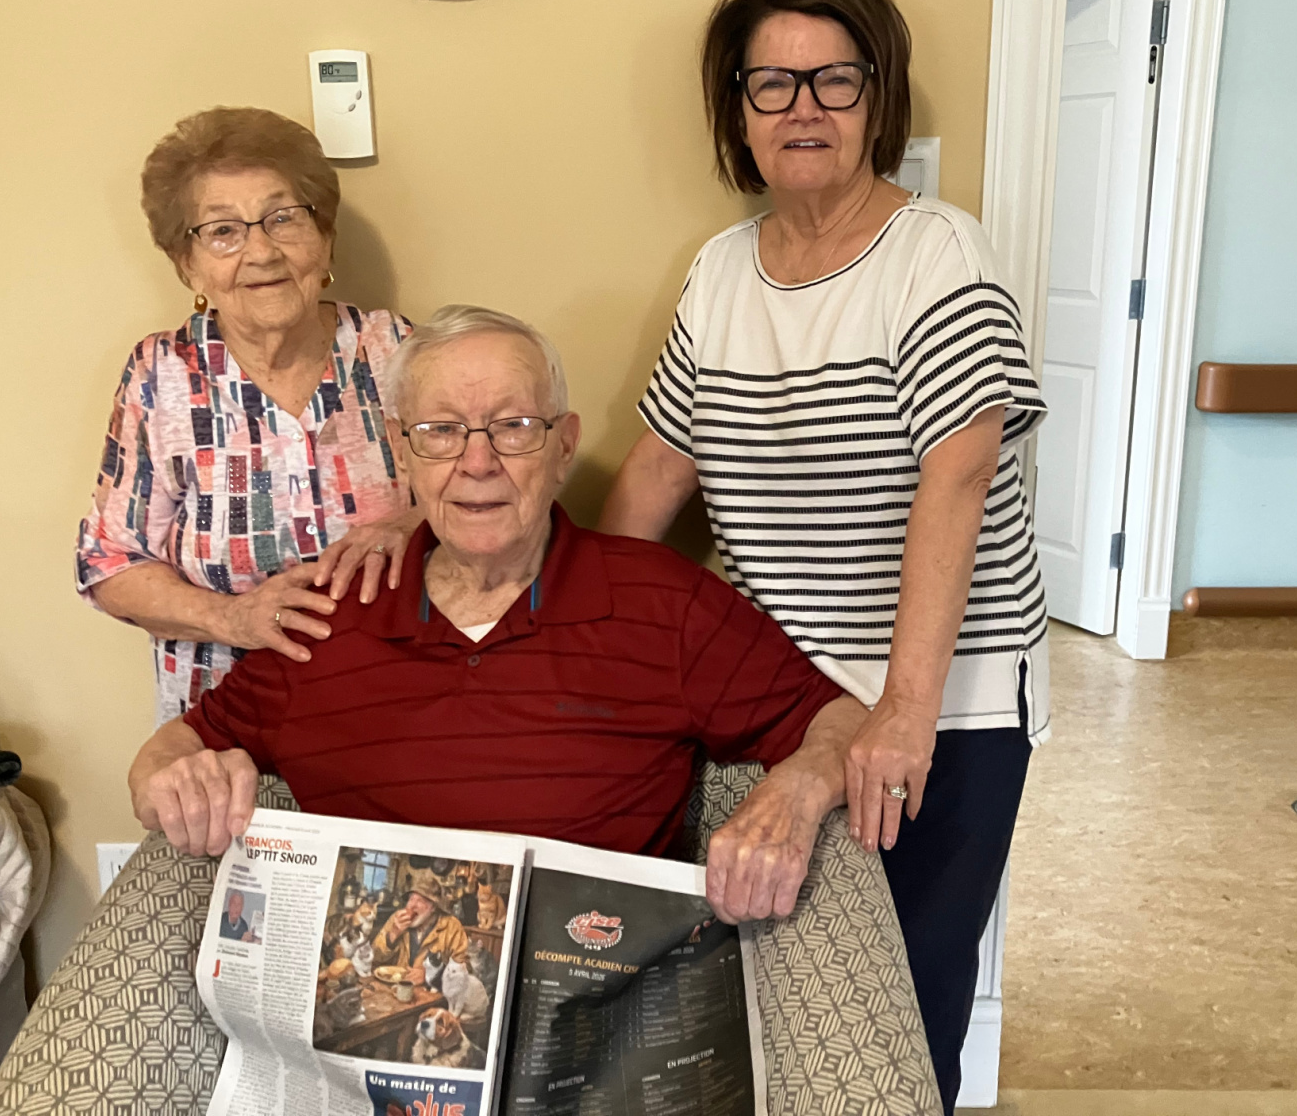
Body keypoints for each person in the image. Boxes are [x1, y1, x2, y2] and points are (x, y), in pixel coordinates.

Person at [597, 0, 1049, 1111]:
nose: (803, 106)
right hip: (774, 701)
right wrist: (586, 638)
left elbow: (956, 479)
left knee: (899, 1006)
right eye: (771, 84)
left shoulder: (937, 254)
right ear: (736, 112)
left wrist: (902, 711)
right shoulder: (719, 271)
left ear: (875, 98)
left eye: (833, 79)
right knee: (770, 993)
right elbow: (659, 469)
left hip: (943, 703)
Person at [127, 307, 870, 926]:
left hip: (590, 1006)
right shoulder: (327, 617)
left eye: (513, 426)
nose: (476, 463)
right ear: (403, 451)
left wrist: (798, 791)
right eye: (442, 432)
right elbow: (175, 748)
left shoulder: (665, 604)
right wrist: (169, 777)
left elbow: (837, 721)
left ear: (564, 446)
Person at [77, 107, 421, 726]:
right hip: (224, 724)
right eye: (222, 231)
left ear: (325, 238)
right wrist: (234, 619)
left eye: (284, 218)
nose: (261, 251)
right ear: (188, 264)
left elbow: (477, 499)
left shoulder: (396, 350)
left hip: (394, 709)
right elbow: (109, 561)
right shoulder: (163, 374)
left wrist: (414, 526)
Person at [373, 873, 469, 979]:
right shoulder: (397, 919)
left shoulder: (452, 927)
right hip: (396, 988)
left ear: (433, 907)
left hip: (430, 993)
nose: (411, 905)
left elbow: (464, 969)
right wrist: (393, 935)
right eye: (411, 899)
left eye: (420, 900)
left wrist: (430, 974)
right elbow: (375, 958)